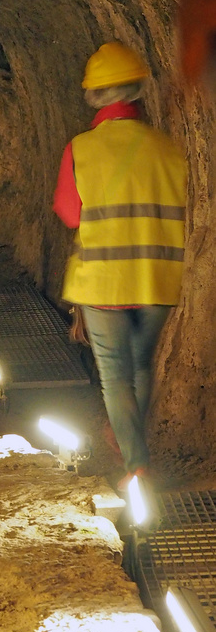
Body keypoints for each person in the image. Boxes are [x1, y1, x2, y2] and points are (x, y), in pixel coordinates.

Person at [53, 42, 188, 491]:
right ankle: (128, 438)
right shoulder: (169, 149)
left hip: (104, 282)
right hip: (156, 278)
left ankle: (136, 463)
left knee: (114, 376)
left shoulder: (81, 148)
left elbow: (69, 213)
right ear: (138, 91)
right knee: (141, 366)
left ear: (93, 95)